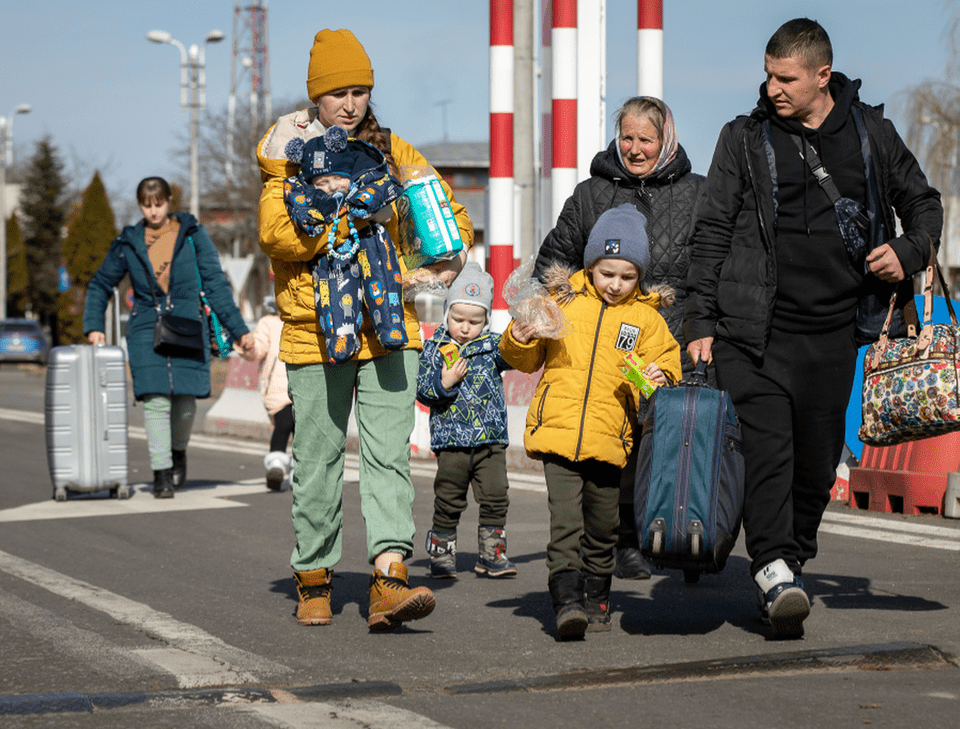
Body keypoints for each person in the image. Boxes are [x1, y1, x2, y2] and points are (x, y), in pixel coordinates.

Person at [684, 18, 943, 639]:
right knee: (769, 448)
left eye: (786, 77)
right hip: (754, 330)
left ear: (822, 76)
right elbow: (712, 229)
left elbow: (924, 203)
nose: (771, 87)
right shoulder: (743, 138)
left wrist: (909, 252)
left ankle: (789, 562)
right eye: (768, 74)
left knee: (816, 464)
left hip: (835, 331)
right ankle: (771, 565)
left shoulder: (870, 133)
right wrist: (698, 319)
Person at [256, 28, 473, 630]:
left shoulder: (396, 153)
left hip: (389, 328)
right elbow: (276, 233)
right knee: (318, 460)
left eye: (360, 91)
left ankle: (388, 580)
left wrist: (425, 257)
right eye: (339, 93)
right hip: (313, 332)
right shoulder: (290, 153)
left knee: (387, 458)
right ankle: (314, 578)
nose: (350, 105)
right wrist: (350, 219)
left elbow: (452, 218)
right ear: (316, 99)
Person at [533, 96, 704, 583]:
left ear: (666, 139)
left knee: (674, 446)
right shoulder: (591, 195)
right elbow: (554, 264)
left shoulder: (699, 194)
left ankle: (682, 536)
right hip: (602, 346)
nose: (634, 148)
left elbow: (715, 268)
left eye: (646, 139)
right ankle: (624, 542)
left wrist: (706, 330)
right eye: (626, 137)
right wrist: (556, 309)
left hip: (677, 341)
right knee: (619, 448)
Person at [501, 204, 682, 639]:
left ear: (639, 276)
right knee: (565, 523)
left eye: (627, 276)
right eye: (607, 273)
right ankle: (567, 599)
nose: (615, 285)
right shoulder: (559, 303)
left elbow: (667, 365)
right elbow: (523, 360)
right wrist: (518, 338)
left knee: (603, 526)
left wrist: (660, 376)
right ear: (591, 266)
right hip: (557, 432)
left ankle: (598, 593)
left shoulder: (647, 319)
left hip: (610, 438)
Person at [84, 177, 253, 498]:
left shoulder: (192, 235)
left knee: (186, 404)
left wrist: (239, 332)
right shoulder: (128, 242)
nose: (153, 211)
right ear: (140, 205)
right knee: (156, 400)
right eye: (146, 205)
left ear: (169, 200)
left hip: (189, 324)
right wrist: (94, 325)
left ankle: (177, 453)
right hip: (147, 327)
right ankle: (161, 473)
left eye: (158, 203)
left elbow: (215, 284)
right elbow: (100, 284)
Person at [417, 263, 517, 580]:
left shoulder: (491, 344)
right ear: (446, 313)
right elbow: (422, 389)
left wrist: (521, 333)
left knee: (496, 495)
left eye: (475, 321)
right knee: (449, 498)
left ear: (486, 319)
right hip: (451, 440)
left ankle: (491, 554)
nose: (465, 327)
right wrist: (444, 382)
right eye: (458, 318)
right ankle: (442, 553)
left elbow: (515, 354)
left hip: (490, 439)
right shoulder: (435, 347)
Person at [239, 296, 294, 491]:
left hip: (307, 386)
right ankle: (277, 467)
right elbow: (258, 350)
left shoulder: (308, 323)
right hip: (279, 388)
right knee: (285, 424)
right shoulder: (269, 323)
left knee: (303, 432)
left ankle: (295, 470)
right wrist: (247, 346)